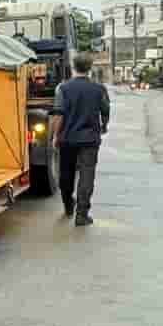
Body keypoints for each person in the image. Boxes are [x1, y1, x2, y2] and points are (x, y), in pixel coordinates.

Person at [49, 52, 110, 226]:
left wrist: (55, 135)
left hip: (67, 138)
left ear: (74, 67)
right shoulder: (99, 89)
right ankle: (82, 215)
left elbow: (58, 113)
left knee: (66, 174)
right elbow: (105, 110)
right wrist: (104, 125)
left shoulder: (63, 88)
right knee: (86, 175)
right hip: (90, 139)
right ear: (90, 68)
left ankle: (68, 204)